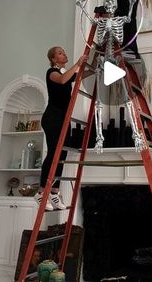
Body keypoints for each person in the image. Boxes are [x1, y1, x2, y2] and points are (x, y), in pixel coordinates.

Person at [34, 46, 94, 210]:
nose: (64, 53)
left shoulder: (64, 74)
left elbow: (80, 76)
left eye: (63, 52)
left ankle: (53, 193)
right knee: (54, 153)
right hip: (52, 118)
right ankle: (40, 193)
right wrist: (77, 63)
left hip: (63, 119)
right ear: (53, 59)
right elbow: (61, 80)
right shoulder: (51, 73)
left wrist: (95, 68)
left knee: (62, 154)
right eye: (60, 53)